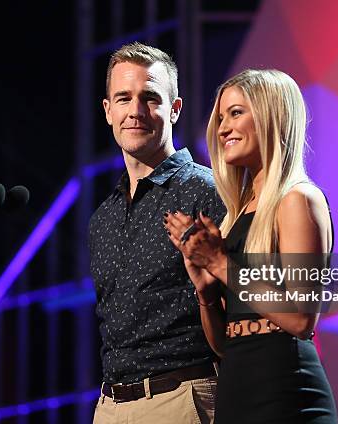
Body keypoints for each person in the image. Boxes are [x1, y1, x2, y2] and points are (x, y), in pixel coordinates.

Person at [164, 69, 338, 423]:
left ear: (272, 116)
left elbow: (301, 318)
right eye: (221, 117)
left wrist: (219, 262)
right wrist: (206, 291)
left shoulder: (298, 200)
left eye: (236, 113)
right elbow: (224, 345)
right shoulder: (236, 215)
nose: (223, 127)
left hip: (287, 394)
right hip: (237, 391)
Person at [89, 42, 226, 424]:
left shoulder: (206, 192)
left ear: (175, 109)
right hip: (110, 406)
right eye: (123, 98)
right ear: (107, 111)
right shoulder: (102, 218)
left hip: (181, 398)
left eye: (150, 98)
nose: (135, 111)